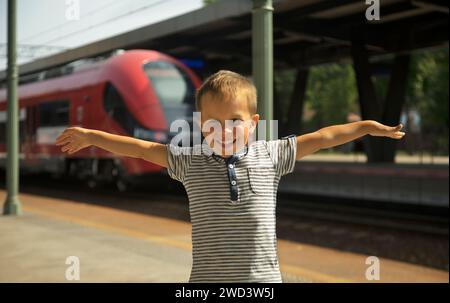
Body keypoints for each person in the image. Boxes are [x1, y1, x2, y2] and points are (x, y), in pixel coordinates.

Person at [55, 70, 405, 283]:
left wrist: (366, 128)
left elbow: (324, 136)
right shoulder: (189, 161)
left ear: (254, 123)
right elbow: (142, 148)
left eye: (235, 121)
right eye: (214, 122)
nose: (225, 130)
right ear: (201, 125)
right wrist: (91, 136)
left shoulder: (272, 154)